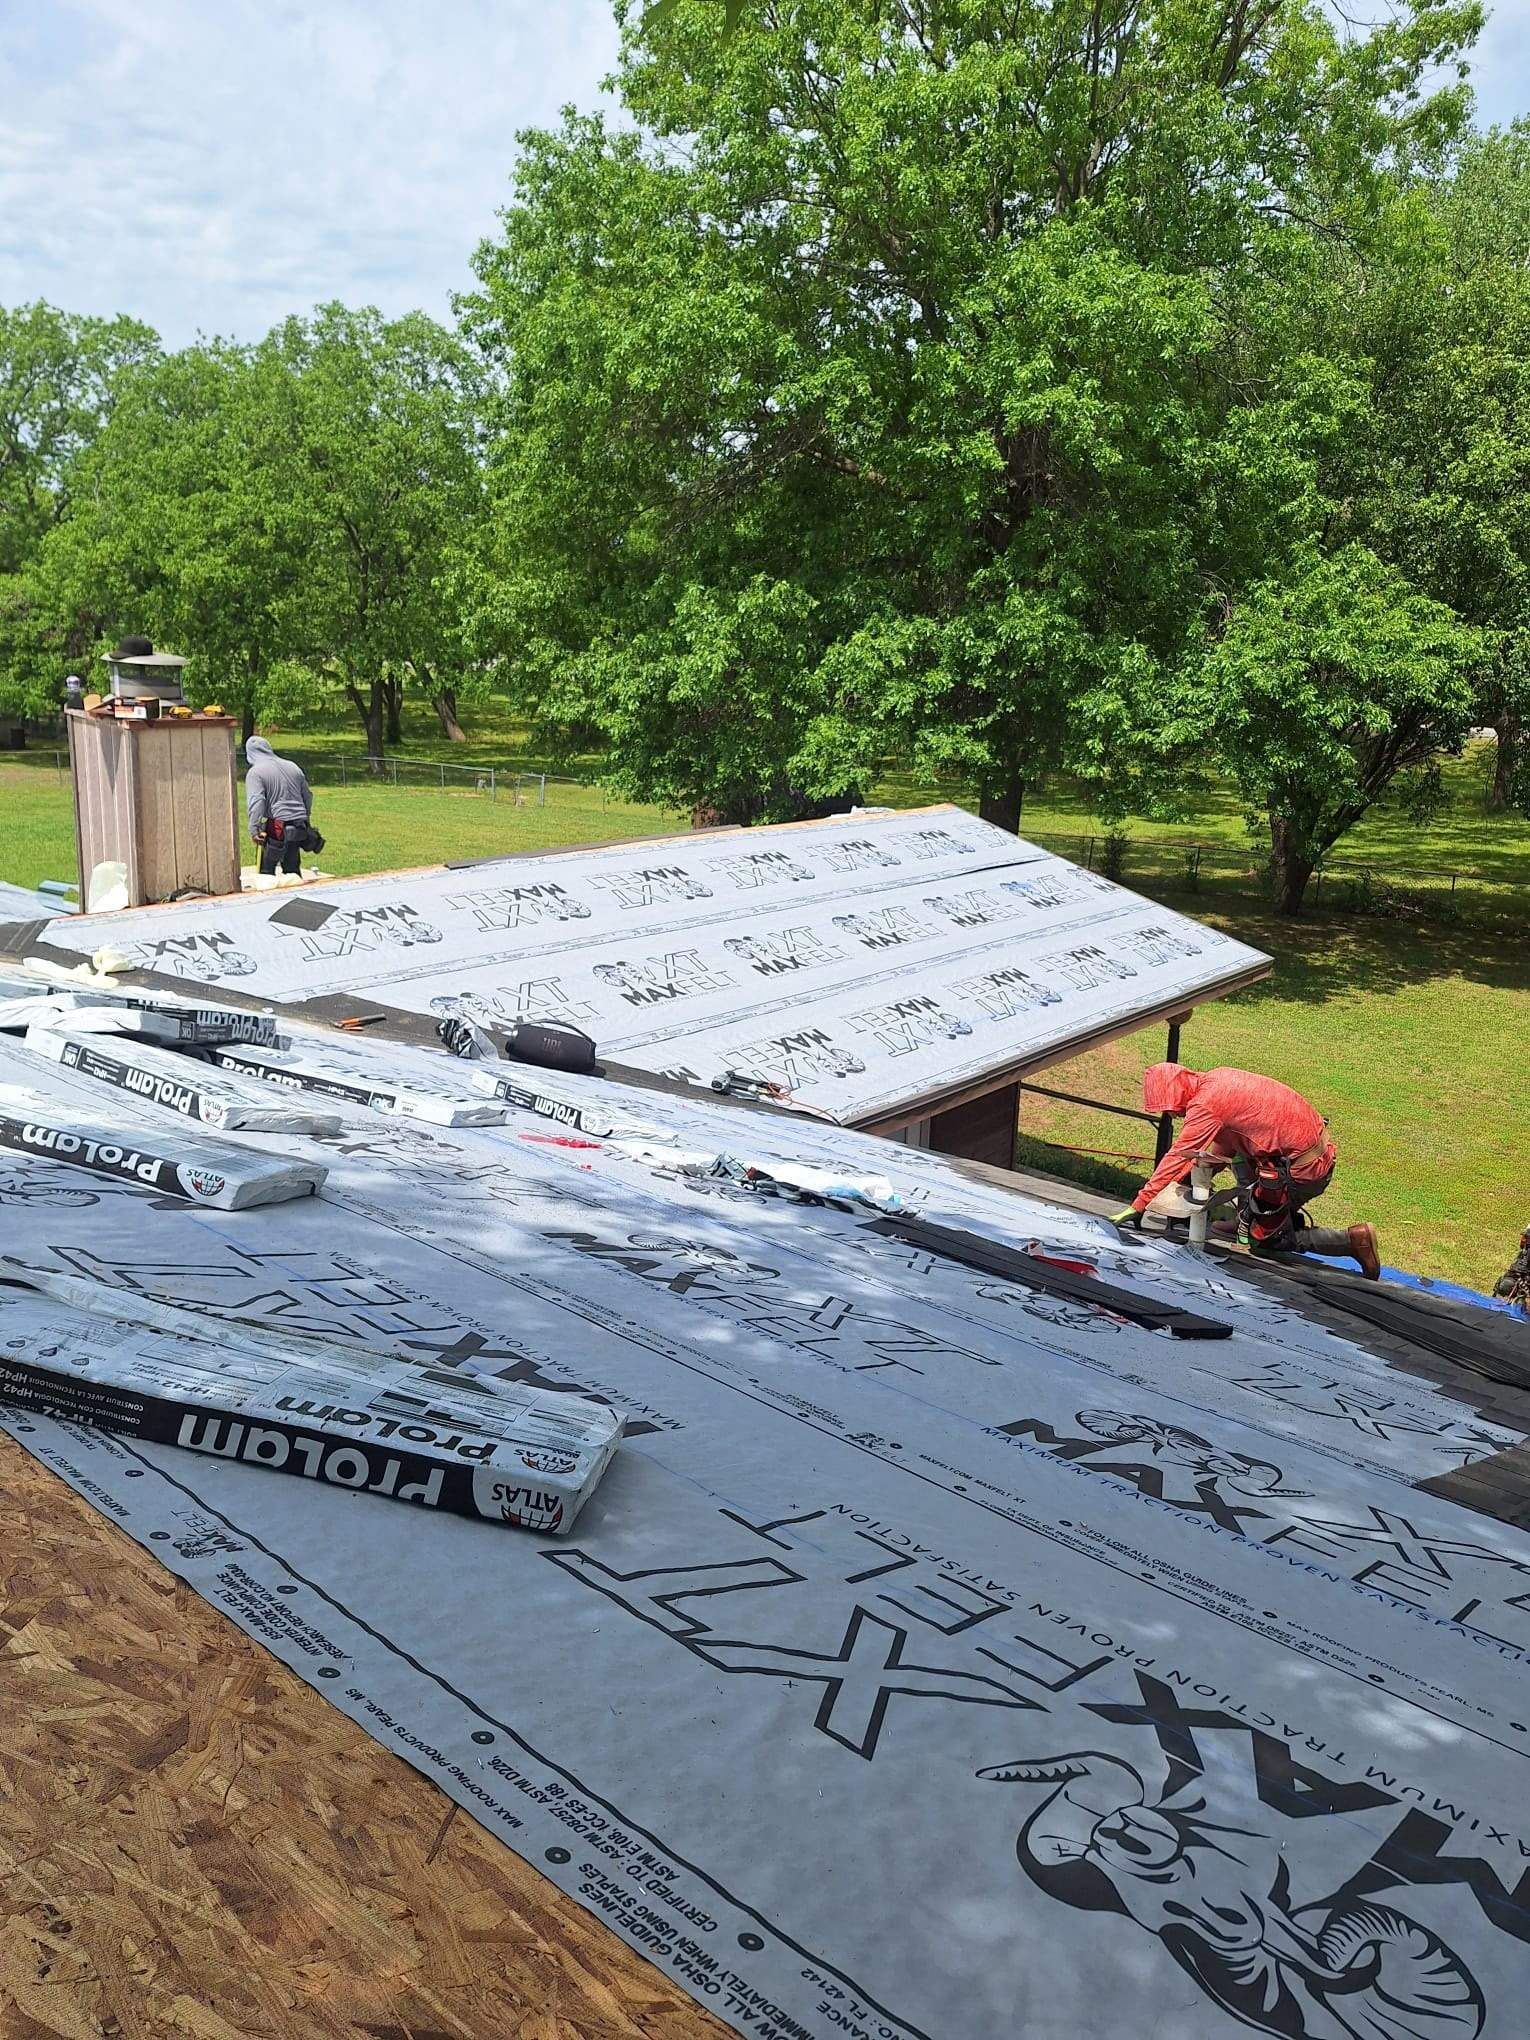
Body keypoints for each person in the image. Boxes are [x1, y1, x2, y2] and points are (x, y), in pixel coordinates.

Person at [1114, 1062, 1381, 1278]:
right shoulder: (1216, 1080)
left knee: (1265, 1242)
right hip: (1304, 1153)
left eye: (1170, 1108)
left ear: (1178, 1092)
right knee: (1239, 1160)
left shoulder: (1206, 1104)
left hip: (1304, 1171)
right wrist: (1187, 1182)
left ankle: (1352, 1241)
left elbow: (1178, 1155)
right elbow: (1225, 1145)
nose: (1173, 1115)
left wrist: (1141, 1203)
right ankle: (1250, 1218)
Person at [245, 735, 315, 876]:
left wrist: (254, 829)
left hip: (277, 826)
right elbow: (307, 795)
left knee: (266, 871)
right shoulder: (292, 766)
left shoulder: (256, 772)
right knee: (292, 869)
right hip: (298, 825)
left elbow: (257, 802)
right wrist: (306, 818)